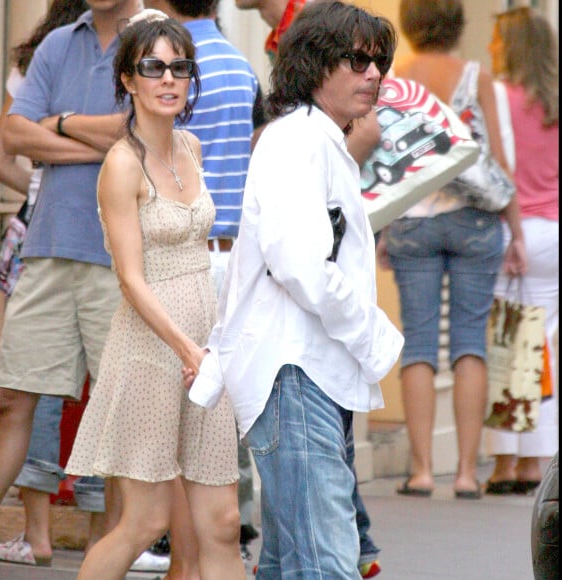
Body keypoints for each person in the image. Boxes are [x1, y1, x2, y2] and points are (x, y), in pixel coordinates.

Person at [187, 3, 403, 578]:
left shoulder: (317, 141)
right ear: (313, 64)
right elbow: (301, 265)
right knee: (325, 561)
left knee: (289, 563)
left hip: (309, 371)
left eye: (378, 61)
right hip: (295, 372)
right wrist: (376, 336)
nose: (374, 73)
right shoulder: (296, 143)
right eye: (358, 60)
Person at [64, 11, 245, 580]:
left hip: (204, 348)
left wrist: (209, 347)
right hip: (149, 351)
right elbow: (130, 278)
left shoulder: (189, 144)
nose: (169, 79)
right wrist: (185, 349)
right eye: (154, 67)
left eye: (180, 67)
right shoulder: (121, 163)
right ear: (128, 79)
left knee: (223, 521)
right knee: (144, 522)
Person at [0, 1, 142, 578]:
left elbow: (142, 133)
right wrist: (101, 144)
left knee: (122, 421)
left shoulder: (153, 42)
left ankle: (111, 562)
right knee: (8, 401)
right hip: (47, 249)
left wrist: (61, 123)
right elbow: (15, 135)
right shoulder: (55, 45)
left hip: (119, 258)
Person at [377, 0, 527, 500]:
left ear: (410, 25)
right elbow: (497, 157)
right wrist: (517, 232)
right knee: (469, 342)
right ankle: (465, 472)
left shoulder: (396, 79)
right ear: (458, 24)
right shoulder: (475, 76)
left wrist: (379, 232)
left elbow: (384, 156)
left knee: (419, 343)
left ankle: (421, 471)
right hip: (476, 221)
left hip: (413, 222)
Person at [143, 0, 261, 568]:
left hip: (182, 254)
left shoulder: (161, 59)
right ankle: (219, 529)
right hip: (232, 256)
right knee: (217, 409)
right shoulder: (240, 64)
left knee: (175, 407)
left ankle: (179, 537)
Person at [484, 7, 559, 495]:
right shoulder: (554, 102)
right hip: (555, 230)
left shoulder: (499, 98)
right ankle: (542, 460)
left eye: (495, 40)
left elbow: (496, 166)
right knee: (544, 342)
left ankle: (513, 463)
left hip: (518, 231)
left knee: (513, 343)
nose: (490, 47)